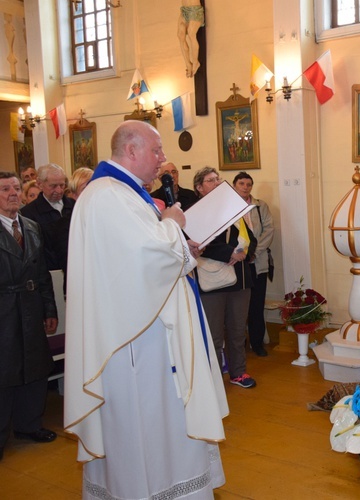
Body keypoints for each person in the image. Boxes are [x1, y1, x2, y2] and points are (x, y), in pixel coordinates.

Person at [64, 121, 228, 498]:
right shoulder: (107, 194)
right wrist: (172, 226)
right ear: (131, 150)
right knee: (147, 427)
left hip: (148, 333)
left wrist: (183, 246)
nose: (163, 159)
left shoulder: (123, 193)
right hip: (136, 341)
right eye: (156, 151)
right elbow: (143, 260)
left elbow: (151, 254)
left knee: (162, 425)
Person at [0, 172, 59, 463]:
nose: (13, 193)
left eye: (16, 188)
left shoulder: (32, 227)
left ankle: (29, 425)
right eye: (5, 189)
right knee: (5, 372)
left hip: (31, 307)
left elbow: (42, 274)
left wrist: (50, 309)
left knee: (34, 369)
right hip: (4, 311)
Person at [194, 167, 258, 388]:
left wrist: (244, 254)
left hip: (240, 278)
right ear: (199, 188)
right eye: (210, 180)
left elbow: (252, 239)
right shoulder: (195, 213)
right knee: (214, 333)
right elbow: (198, 244)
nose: (216, 182)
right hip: (214, 281)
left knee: (238, 329)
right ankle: (212, 378)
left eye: (217, 179)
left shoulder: (233, 210)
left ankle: (238, 372)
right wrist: (229, 253)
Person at [233, 172, 274, 357]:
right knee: (238, 307)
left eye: (249, 184)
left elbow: (269, 230)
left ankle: (257, 343)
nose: (245, 187)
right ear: (234, 185)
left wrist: (254, 253)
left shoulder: (260, 206)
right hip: (236, 262)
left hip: (257, 262)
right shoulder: (228, 207)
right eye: (241, 183)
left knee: (257, 304)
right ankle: (238, 344)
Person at [20, 164, 74, 273]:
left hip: (74, 268)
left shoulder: (74, 206)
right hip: (48, 272)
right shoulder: (28, 213)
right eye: (53, 186)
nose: (59, 191)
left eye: (62, 185)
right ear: (40, 184)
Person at [178, 0, 204, 77]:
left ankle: (196, 62)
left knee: (191, 34)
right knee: (180, 35)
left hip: (194, 9)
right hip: (184, 10)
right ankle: (188, 64)